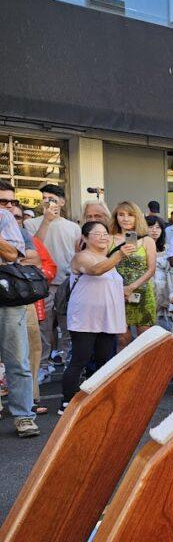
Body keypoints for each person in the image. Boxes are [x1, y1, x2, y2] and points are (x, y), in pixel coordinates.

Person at [61, 221, 130, 415]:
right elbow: (96, 270)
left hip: (107, 318)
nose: (103, 236)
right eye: (97, 233)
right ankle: (67, 399)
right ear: (84, 238)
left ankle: (96, 397)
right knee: (80, 358)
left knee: (104, 359)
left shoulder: (108, 258)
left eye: (105, 233)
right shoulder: (82, 257)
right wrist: (119, 254)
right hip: (85, 318)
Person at [24, 184, 79, 369]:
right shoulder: (30, 224)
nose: (48, 203)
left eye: (53, 199)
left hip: (66, 281)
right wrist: (46, 221)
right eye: (45, 199)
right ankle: (43, 364)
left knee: (67, 324)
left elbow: (77, 254)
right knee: (43, 326)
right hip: (41, 283)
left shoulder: (73, 227)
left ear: (62, 202)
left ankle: (65, 358)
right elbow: (33, 247)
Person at [0, 194, 40, 436]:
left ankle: (23, 415)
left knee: (17, 358)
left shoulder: (4, 217)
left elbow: (14, 255)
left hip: (5, 293)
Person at [9, 200, 53, 414]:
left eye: (17, 215)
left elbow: (35, 258)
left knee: (30, 349)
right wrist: (16, 260)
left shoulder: (24, 234)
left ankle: (30, 400)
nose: (8, 210)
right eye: (3, 202)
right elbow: (21, 258)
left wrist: (11, 260)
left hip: (20, 299)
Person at [109, 201, 157, 346]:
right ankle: (126, 368)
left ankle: (146, 369)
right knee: (122, 339)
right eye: (121, 215)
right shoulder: (109, 239)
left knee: (146, 340)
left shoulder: (147, 240)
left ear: (137, 217)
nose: (125, 219)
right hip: (116, 293)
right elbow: (105, 265)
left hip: (142, 293)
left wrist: (131, 287)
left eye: (130, 215)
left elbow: (151, 269)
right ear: (116, 217)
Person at [147, 214, 173, 334]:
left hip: (164, 292)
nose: (154, 230)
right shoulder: (138, 249)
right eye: (151, 226)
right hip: (147, 290)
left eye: (158, 227)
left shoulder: (168, 249)